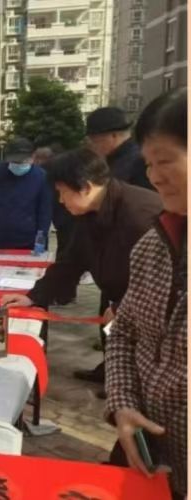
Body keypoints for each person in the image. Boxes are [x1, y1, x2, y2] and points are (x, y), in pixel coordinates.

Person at [1, 148, 162, 388]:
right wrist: (33, 296)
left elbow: (162, 278)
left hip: (153, 309)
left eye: (62, 192)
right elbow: (71, 262)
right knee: (119, 347)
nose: (60, 200)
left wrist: (125, 306)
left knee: (145, 364)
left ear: (85, 187)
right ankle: (117, 381)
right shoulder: (90, 213)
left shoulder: (138, 216)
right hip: (121, 297)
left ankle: (132, 392)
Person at [105, 88, 186, 500]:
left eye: (166, 161)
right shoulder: (153, 245)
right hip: (146, 456)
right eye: (149, 163)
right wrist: (123, 403)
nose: (155, 176)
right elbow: (123, 332)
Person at [0, 137, 52, 249]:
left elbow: (45, 213)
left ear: (32, 157)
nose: (18, 164)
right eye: (14, 161)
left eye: (22, 161)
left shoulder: (42, 178)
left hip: (27, 243)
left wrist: (40, 242)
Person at [35, 143, 77, 304]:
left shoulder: (47, 171)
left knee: (66, 254)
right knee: (67, 253)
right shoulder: (61, 168)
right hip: (66, 217)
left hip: (65, 217)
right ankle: (65, 293)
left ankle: (62, 293)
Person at [86, 106, 153, 190]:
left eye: (96, 140)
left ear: (113, 136)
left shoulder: (139, 162)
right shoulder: (112, 158)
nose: (93, 145)